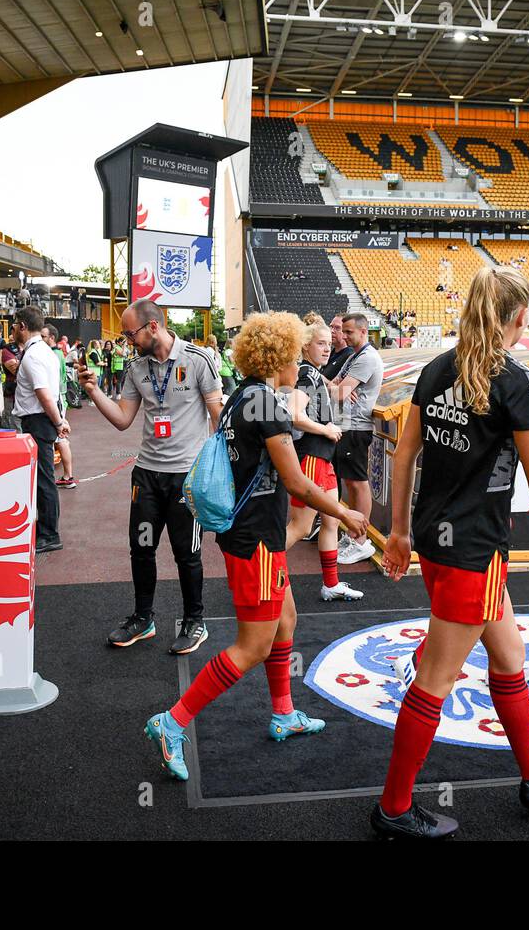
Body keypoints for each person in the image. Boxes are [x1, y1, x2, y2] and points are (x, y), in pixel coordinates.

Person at [373, 266, 529, 840]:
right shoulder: (516, 381)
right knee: (435, 677)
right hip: (472, 549)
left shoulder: (438, 368)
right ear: (519, 317)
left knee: (509, 657)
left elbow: (405, 455)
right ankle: (394, 807)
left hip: (441, 540)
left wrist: (399, 531)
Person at [142, 311, 369, 781]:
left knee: (286, 620)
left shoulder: (242, 397)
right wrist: (344, 512)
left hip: (245, 534)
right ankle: (174, 720)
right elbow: (296, 481)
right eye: (296, 355)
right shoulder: (266, 403)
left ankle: (283, 714)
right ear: (281, 356)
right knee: (253, 645)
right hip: (256, 540)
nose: (301, 365)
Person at [82, 300, 223, 654]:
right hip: (146, 476)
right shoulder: (136, 368)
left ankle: (195, 621)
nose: (128, 340)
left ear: (153, 327)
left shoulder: (198, 360)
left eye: (131, 333)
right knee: (141, 549)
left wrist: (219, 469)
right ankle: (143, 618)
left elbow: (218, 416)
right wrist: (94, 391)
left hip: (185, 478)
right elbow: (123, 419)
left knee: (186, 553)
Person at [284, 318, 361, 600]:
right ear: (306, 346)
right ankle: (260, 571)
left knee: (331, 522)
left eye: (329, 344)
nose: (327, 349)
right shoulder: (305, 374)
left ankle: (331, 584)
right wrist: (325, 429)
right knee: (301, 526)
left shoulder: (313, 373)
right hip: (312, 457)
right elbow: (295, 414)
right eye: (321, 343)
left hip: (322, 458)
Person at [327, 313, 383, 565]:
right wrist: (336, 388)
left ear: (363, 332)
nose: (344, 336)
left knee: (358, 482)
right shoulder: (353, 356)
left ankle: (360, 540)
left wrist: (337, 389)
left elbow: (338, 392)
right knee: (350, 482)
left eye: (349, 332)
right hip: (347, 425)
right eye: (344, 331)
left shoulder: (366, 357)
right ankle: (353, 535)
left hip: (356, 427)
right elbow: (333, 386)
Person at [12, 307, 68, 550]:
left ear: (23, 326)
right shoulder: (43, 351)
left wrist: (58, 422)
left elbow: (44, 395)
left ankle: (49, 534)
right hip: (41, 419)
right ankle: (46, 530)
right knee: (43, 477)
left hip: (38, 420)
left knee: (44, 478)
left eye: (14, 324)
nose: (12, 329)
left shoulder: (34, 354)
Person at [43, 324, 76, 490]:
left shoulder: (53, 354)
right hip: (58, 399)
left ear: (52, 338)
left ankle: (68, 476)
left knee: (60, 438)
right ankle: (67, 475)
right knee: (61, 438)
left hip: (56, 400)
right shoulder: (56, 353)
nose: (40, 340)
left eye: (43, 337)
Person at [323, 315, 352, 379]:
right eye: (331, 327)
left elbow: (344, 388)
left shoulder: (350, 356)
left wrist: (319, 377)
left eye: (337, 328)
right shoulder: (331, 352)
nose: (332, 331)